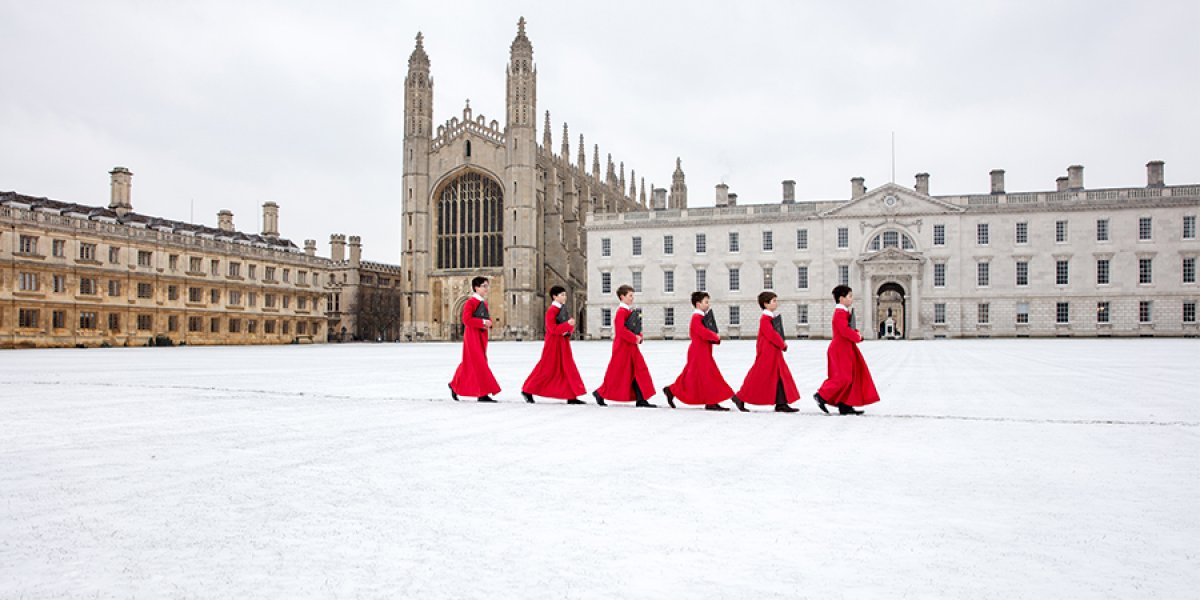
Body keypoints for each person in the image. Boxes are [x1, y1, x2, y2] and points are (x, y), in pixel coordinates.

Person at [662, 292, 736, 411]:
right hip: (698, 352)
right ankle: (711, 402)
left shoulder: (701, 317)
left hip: (702, 350)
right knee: (708, 375)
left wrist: (714, 337)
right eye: (706, 302)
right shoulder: (696, 317)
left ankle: (671, 390)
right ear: (698, 304)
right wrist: (715, 337)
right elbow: (703, 332)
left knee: (692, 376)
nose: (708, 304)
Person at [814, 285, 880, 415]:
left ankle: (845, 404)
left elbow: (847, 329)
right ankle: (821, 395)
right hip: (840, 349)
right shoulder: (839, 313)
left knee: (851, 377)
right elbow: (844, 331)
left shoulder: (843, 312)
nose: (851, 299)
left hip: (846, 348)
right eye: (849, 296)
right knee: (843, 378)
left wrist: (856, 334)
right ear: (841, 298)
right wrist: (857, 336)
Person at [734, 291, 800, 412]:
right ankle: (740, 397)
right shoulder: (765, 319)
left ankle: (781, 403)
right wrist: (782, 344)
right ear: (766, 304)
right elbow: (771, 335)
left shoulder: (769, 317)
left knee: (779, 376)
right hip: (768, 352)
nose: (776, 303)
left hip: (773, 352)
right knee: (759, 376)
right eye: (774, 301)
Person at [593, 285, 657, 408]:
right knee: (618, 373)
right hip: (623, 348)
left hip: (631, 347)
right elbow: (621, 331)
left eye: (633, 295)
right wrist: (635, 338)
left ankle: (641, 398)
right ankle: (600, 393)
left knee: (638, 371)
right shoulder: (621, 312)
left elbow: (634, 328)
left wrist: (639, 336)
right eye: (630, 295)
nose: (632, 298)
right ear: (622, 297)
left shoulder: (628, 311)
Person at [521, 286, 587, 404]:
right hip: (553, 343)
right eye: (562, 295)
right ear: (554, 297)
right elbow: (552, 328)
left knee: (567, 367)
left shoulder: (563, 309)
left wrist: (569, 330)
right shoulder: (551, 310)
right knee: (546, 368)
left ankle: (571, 396)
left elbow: (567, 327)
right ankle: (527, 389)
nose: (564, 297)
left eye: (565, 295)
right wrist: (567, 325)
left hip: (563, 342)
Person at [448, 276, 501, 403]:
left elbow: (486, 317)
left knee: (471, 363)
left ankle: (455, 385)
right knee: (478, 363)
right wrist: (483, 322)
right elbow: (466, 320)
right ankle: (482, 393)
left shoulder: (484, 303)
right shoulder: (470, 303)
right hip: (472, 336)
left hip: (481, 336)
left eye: (487, 286)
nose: (486, 289)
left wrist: (488, 323)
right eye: (484, 286)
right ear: (476, 288)